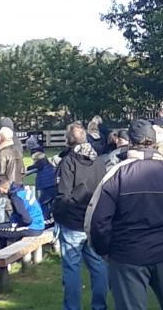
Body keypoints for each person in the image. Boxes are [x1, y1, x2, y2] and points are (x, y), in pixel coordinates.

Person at [85, 119, 163, 310]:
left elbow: (97, 222)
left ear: (130, 143)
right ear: (155, 142)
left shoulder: (116, 174)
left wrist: (106, 251)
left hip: (127, 255)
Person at [53, 123, 108, 310]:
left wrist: (58, 214)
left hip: (73, 221)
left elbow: (63, 195)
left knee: (71, 268)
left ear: (68, 139)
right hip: (92, 219)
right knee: (98, 265)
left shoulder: (68, 162)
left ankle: (72, 307)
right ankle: (99, 306)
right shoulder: (99, 161)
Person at [0, 175, 44, 253]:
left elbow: (27, 220)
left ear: (0, 188)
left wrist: (16, 225)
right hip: (38, 224)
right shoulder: (20, 189)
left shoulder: (15, 197)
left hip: (32, 227)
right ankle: (3, 259)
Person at [26, 149, 56, 224]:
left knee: (42, 203)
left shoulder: (40, 164)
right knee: (51, 202)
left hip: (47, 186)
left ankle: (45, 218)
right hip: (53, 185)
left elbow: (30, 168)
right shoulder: (47, 163)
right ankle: (52, 217)